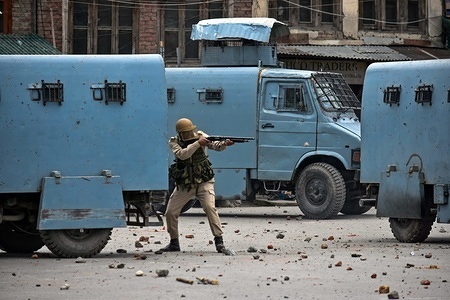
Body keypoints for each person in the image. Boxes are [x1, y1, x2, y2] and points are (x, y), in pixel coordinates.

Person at [160, 118, 234, 253]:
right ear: (180, 133)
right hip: (185, 184)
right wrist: (197, 144)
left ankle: (219, 242)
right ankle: (174, 242)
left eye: (190, 131)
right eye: (185, 132)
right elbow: (183, 155)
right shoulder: (174, 142)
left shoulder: (201, 136)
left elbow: (216, 145)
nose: (188, 134)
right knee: (170, 212)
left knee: (210, 207)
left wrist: (225, 144)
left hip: (204, 181)